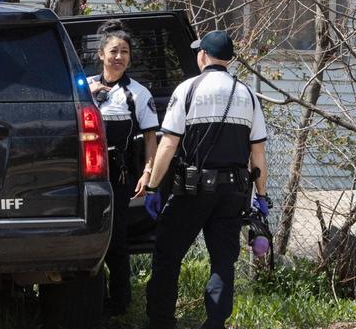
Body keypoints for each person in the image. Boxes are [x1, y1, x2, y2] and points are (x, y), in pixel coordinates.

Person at [141, 30, 269, 329]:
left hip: (192, 190)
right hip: (234, 193)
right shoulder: (246, 93)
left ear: (203, 56)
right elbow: (258, 153)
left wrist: (152, 187)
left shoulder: (188, 89)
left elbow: (169, 145)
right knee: (223, 261)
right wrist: (261, 197)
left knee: (168, 254)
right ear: (230, 59)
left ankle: (161, 321)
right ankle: (215, 323)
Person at [86, 20, 158, 317]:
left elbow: (152, 137)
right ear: (101, 54)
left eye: (125, 52)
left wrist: (148, 172)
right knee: (87, 236)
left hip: (118, 174)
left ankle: (119, 303)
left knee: (115, 239)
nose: (119, 57)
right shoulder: (84, 87)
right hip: (86, 174)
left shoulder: (138, 94)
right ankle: (88, 300)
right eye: (114, 51)